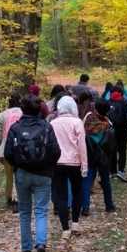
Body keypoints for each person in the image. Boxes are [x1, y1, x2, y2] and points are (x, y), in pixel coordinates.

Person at [4, 96, 60, 252]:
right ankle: (41, 245)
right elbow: (55, 151)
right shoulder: (46, 127)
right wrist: (48, 167)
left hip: (22, 173)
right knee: (41, 211)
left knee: (25, 212)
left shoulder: (15, 128)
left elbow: (8, 153)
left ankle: (26, 249)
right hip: (43, 174)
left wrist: (17, 166)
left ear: (23, 109)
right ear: (39, 110)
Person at [49, 95, 87, 238]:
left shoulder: (53, 123)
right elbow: (82, 145)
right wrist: (85, 165)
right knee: (77, 192)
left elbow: (51, 145)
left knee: (61, 195)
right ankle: (75, 222)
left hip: (58, 163)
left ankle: (65, 229)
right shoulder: (77, 122)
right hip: (75, 162)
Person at [82, 98, 117, 215]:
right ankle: (109, 205)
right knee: (106, 181)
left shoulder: (88, 119)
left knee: (87, 181)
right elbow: (112, 144)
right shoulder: (108, 124)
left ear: (96, 108)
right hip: (104, 156)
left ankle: (85, 207)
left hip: (90, 154)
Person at [0, 93, 23, 210]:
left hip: (6, 148)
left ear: (9, 103)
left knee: (9, 175)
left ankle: (10, 198)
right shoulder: (24, 113)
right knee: (20, 173)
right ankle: (19, 198)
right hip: (22, 147)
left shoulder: (2, 115)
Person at [106, 83, 127, 180]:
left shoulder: (108, 102)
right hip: (123, 129)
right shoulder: (125, 102)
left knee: (112, 150)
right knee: (122, 150)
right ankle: (121, 170)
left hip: (111, 130)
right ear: (121, 92)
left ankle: (112, 171)